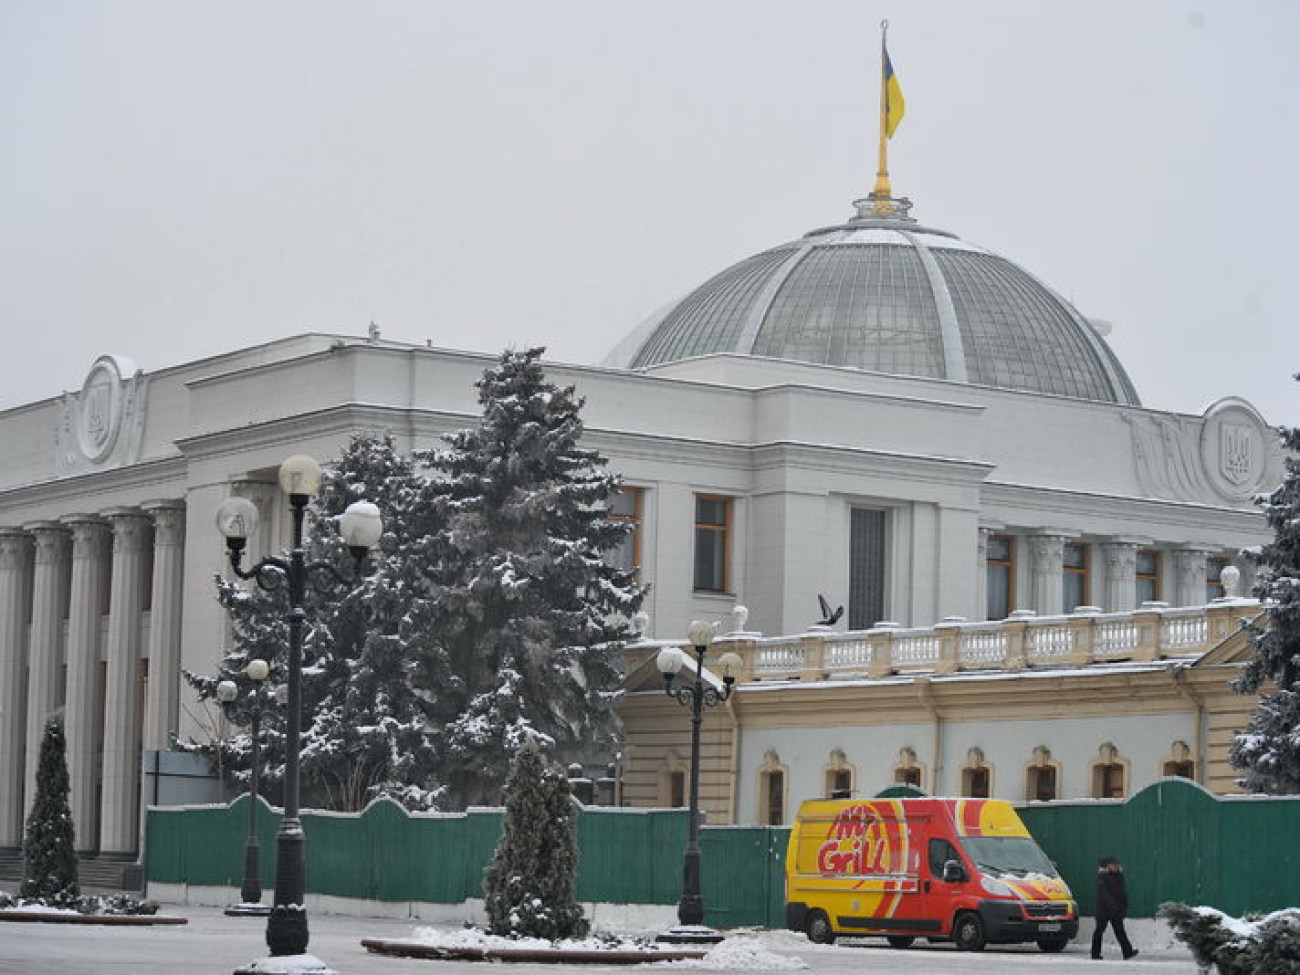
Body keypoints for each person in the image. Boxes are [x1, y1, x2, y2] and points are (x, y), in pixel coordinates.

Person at [1092, 856, 1138, 960]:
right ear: (1107, 866)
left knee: (1120, 931)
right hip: (1104, 910)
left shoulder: (1119, 876)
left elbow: (1122, 892)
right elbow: (1103, 894)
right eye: (1113, 864)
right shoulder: (1102, 877)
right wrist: (1112, 904)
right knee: (1099, 931)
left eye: (1116, 864)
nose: (1116, 866)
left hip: (1116, 909)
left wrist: (1123, 905)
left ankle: (1128, 952)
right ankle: (1095, 953)